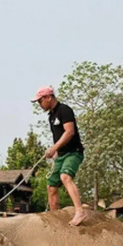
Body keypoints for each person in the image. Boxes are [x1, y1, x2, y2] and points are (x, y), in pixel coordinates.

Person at [32, 86, 87, 226]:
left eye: (40, 101)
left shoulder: (65, 110)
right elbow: (58, 137)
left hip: (73, 153)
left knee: (65, 176)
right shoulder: (51, 116)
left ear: (48, 98)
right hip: (61, 155)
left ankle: (80, 211)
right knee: (51, 186)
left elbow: (69, 132)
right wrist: (56, 152)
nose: (39, 105)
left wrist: (54, 148)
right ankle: (54, 217)